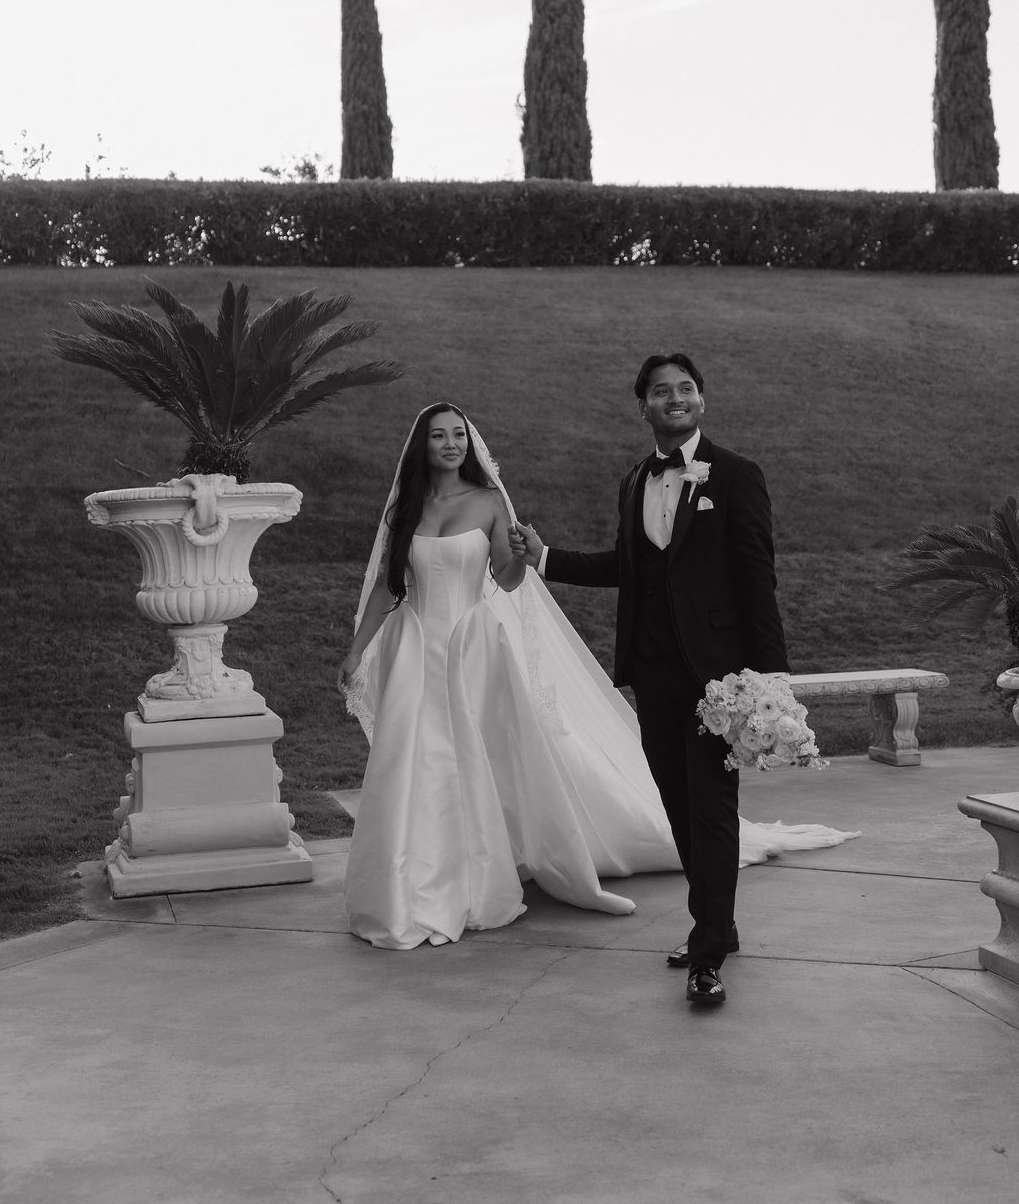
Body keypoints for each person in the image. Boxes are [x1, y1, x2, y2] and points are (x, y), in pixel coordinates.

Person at [339, 400, 856, 955]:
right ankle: (402, 885)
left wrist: (523, 556)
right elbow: (388, 587)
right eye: (439, 436)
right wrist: (356, 650)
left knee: (465, 763)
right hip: (415, 650)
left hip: (469, 649)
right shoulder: (406, 511)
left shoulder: (489, 501)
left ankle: (467, 882)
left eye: (458, 435)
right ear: (422, 445)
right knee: (411, 767)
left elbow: (507, 581)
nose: (451, 444)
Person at [512, 353, 841, 1008]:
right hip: (654, 672)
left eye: (686, 388)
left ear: (701, 400)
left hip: (718, 679)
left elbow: (756, 577)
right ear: (644, 406)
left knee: (712, 807)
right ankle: (718, 922)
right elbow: (630, 566)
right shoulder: (636, 481)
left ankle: (708, 951)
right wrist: (545, 558)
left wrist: (768, 676)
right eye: (662, 391)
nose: (676, 398)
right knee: (677, 805)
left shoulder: (738, 476)